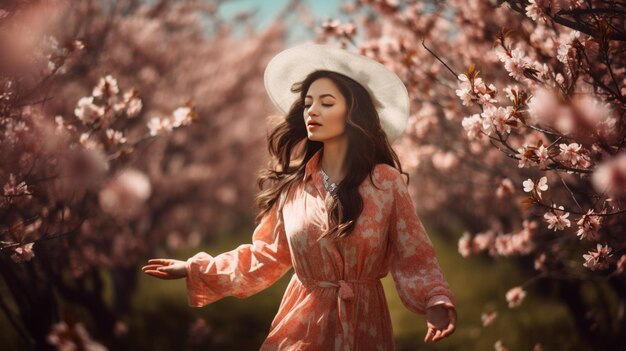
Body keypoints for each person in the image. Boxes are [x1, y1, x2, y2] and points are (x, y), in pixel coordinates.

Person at [142, 44, 457, 350]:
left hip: (365, 325)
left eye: (326, 102)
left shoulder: (385, 182)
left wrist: (435, 299)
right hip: (302, 327)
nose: (312, 111)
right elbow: (266, 256)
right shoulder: (294, 188)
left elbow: (413, 253)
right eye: (308, 103)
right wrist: (196, 268)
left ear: (353, 112)